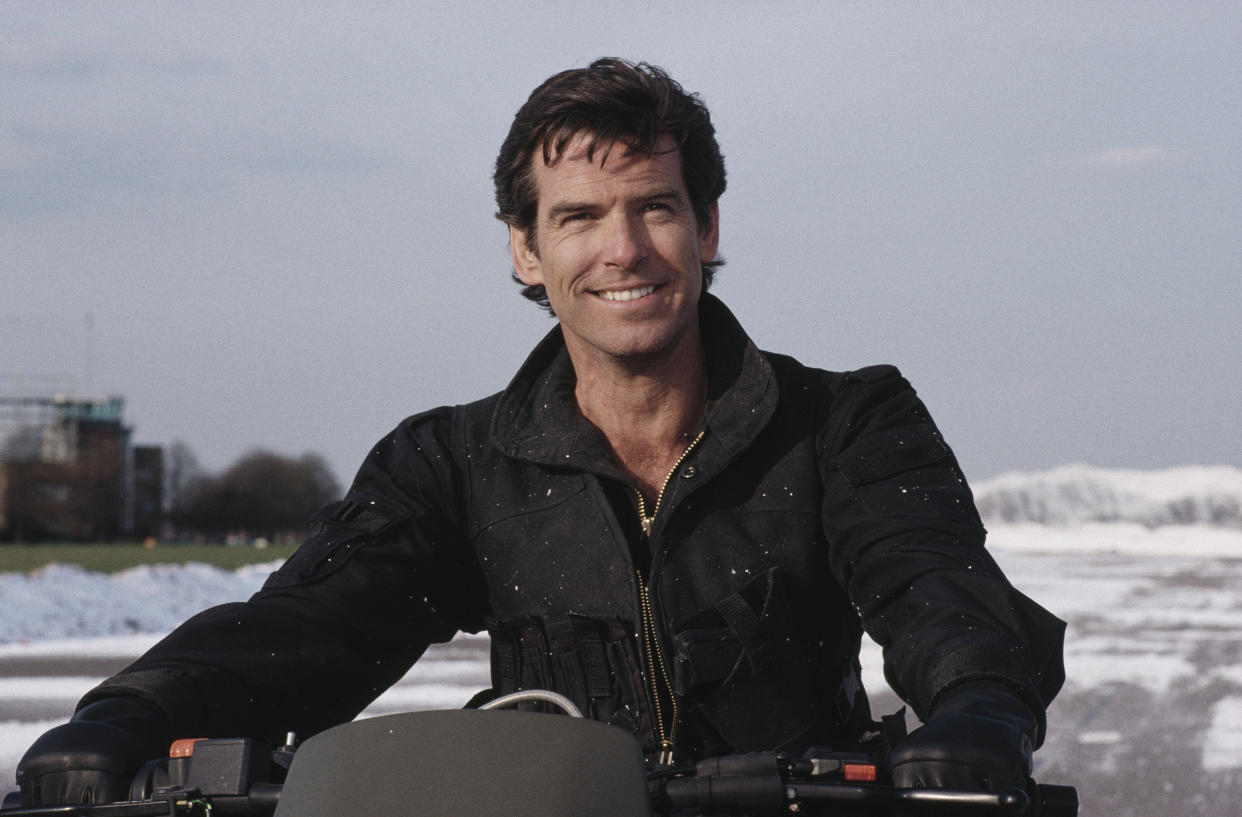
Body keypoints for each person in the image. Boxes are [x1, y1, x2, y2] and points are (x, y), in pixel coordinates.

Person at [17, 58, 1065, 806]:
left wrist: (978, 708)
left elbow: (936, 585)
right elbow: (305, 626)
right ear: (525, 249)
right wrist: (131, 711)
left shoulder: (846, 424)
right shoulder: (454, 463)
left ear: (706, 228)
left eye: (655, 207)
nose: (624, 248)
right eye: (576, 216)